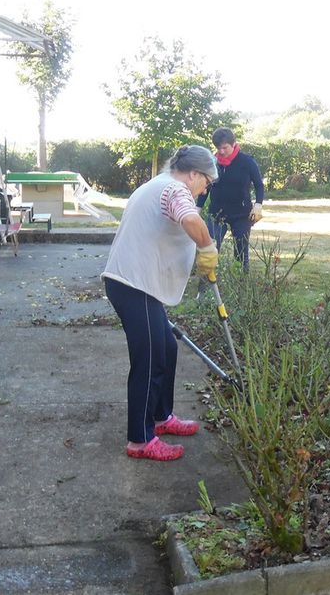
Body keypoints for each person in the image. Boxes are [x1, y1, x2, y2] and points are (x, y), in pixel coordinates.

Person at [102, 145, 220, 462]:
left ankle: (160, 417)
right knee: (150, 358)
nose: (204, 189)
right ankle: (140, 440)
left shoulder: (158, 185)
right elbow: (189, 219)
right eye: (206, 181)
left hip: (135, 282)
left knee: (165, 347)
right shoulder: (173, 189)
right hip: (132, 284)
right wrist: (207, 247)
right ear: (193, 173)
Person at [197, 127, 265, 273]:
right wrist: (198, 208)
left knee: (241, 250)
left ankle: (241, 286)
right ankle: (204, 288)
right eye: (218, 148)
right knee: (210, 249)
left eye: (225, 147)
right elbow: (205, 187)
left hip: (241, 214)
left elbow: (259, 185)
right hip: (217, 213)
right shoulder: (213, 163)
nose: (221, 152)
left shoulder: (247, 162)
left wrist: (258, 205)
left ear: (233, 144)